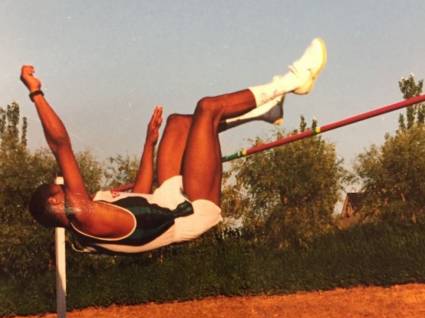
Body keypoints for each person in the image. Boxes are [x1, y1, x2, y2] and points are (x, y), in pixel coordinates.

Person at [21, 38, 327, 254]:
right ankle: (293, 81)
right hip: (192, 211)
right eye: (61, 191)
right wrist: (37, 94)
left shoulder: (93, 212)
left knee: (179, 123)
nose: (71, 189)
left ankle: (267, 111)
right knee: (207, 109)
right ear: (56, 203)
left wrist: (148, 144)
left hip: (163, 200)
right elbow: (61, 145)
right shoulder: (84, 215)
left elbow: (140, 194)